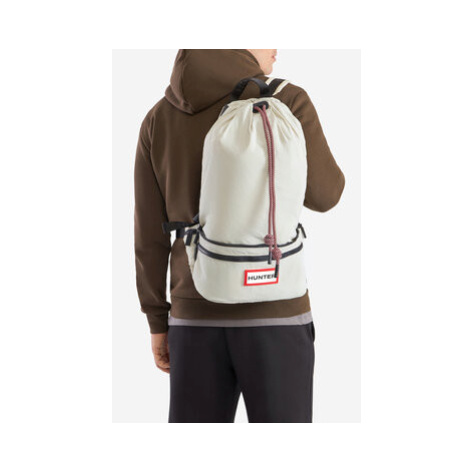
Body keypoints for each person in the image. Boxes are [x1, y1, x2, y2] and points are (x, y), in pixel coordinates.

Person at [134, 49, 345, 423]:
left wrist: (156, 319)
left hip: (193, 316)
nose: (277, 47)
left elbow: (149, 234)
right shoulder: (286, 99)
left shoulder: (159, 117)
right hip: (277, 309)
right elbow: (326, 195)